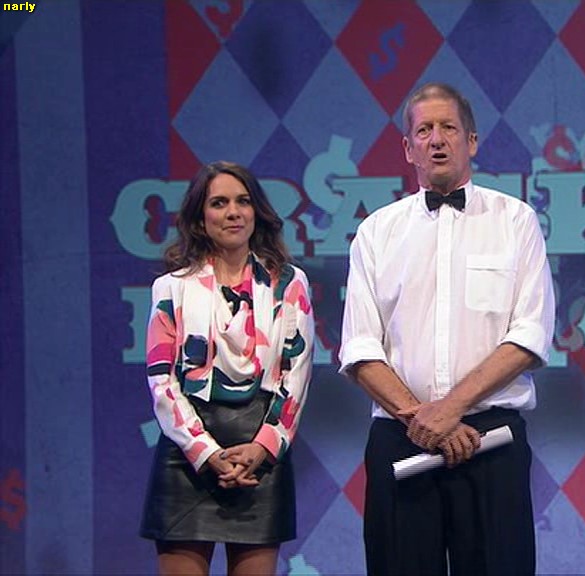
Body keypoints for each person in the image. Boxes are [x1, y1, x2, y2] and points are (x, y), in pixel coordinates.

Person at [339, 82, 555, 576]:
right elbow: (360, 348)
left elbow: (528, 336)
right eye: (424, 130)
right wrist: (427, 421)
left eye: (449, 128)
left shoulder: (516, 221)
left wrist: (451, 410)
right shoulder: (376, 231)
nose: (436, 139)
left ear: (471, 141)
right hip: (401, 438)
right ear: (407, 148)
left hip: (491, 439)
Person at [139, 161, 315, 575]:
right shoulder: (172, 288)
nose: (233, 212)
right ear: (200, 217)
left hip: (261, 454)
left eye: (243, 201)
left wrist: (263, 448)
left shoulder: (290, 284)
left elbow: (297, 375)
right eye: (219, 203)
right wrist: (206, 452)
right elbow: (162, 381)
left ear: (257, 212)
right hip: (188, 456)